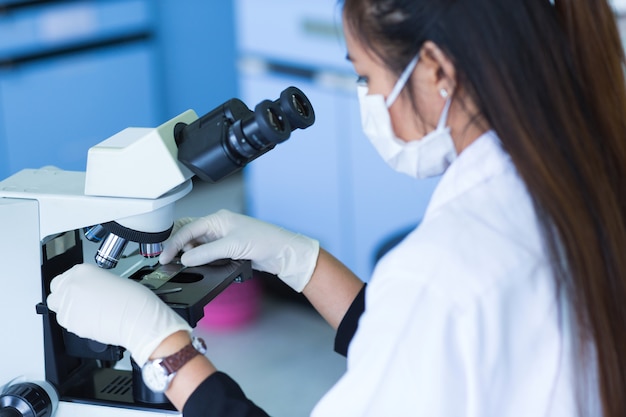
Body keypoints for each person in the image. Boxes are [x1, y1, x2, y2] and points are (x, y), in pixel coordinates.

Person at [46, 0, 626, 416]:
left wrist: (162, 349)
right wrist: (303, 261)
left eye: (366, 76)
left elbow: (435, 315)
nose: (369, 99)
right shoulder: (579, 179)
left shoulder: (444, 271)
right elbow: (426, 342)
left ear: (436, 70)